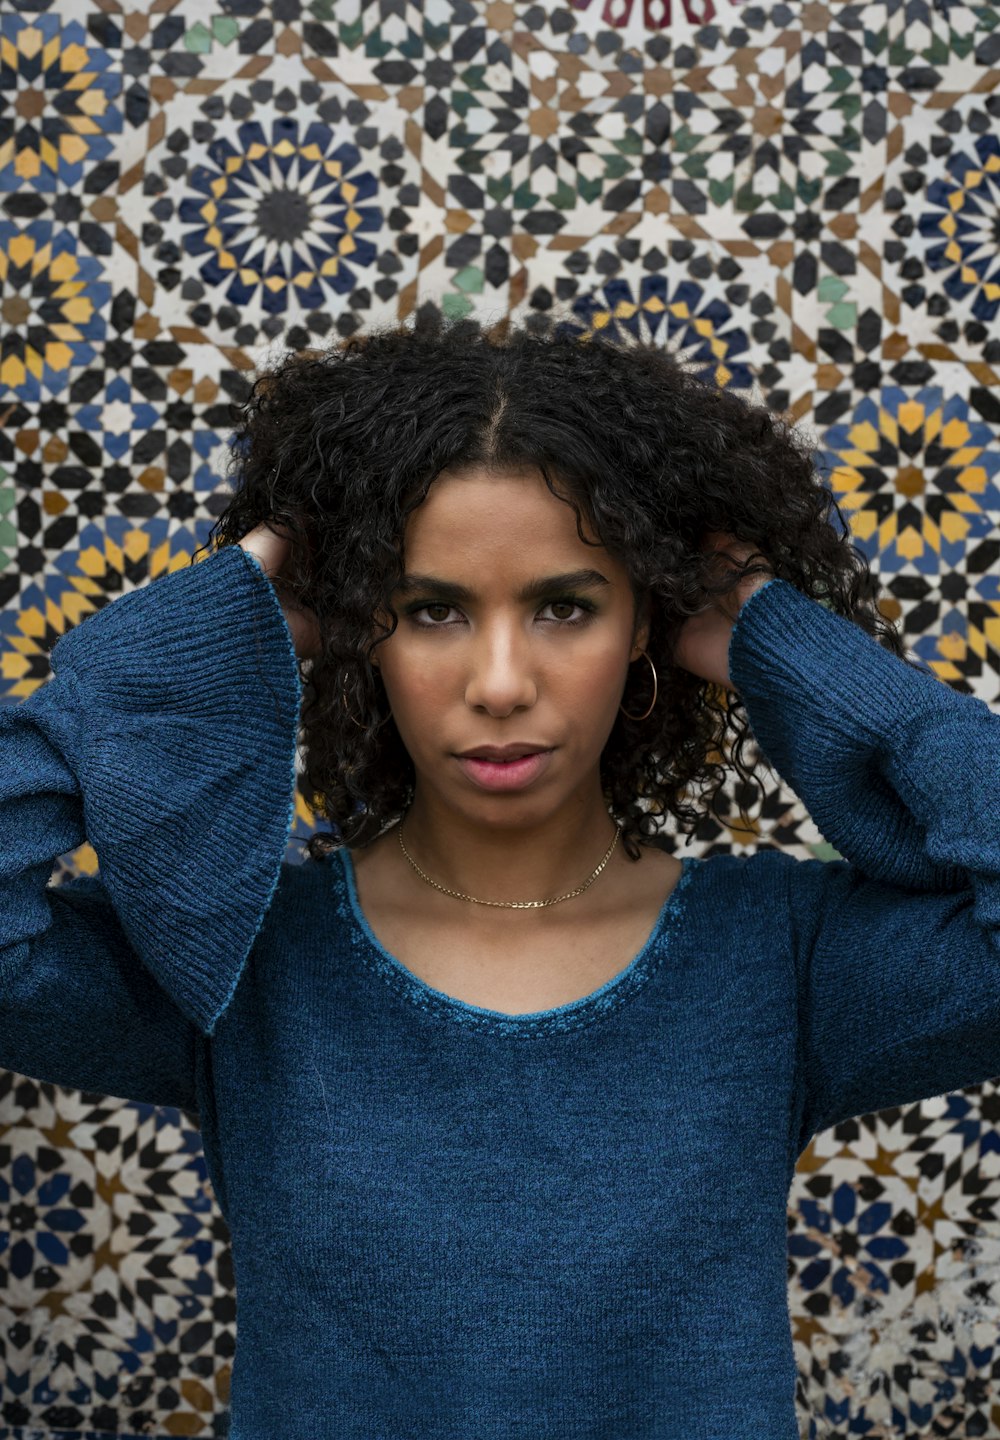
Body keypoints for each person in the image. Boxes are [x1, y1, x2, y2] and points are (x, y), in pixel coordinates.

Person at [2, 307, 997, 1439]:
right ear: (357, 628)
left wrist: (783, 639)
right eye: (433, 611)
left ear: (646, 622)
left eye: (564, 606)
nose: (500, 681)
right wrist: (191, 647)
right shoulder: (232, 951)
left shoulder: (782, 957)